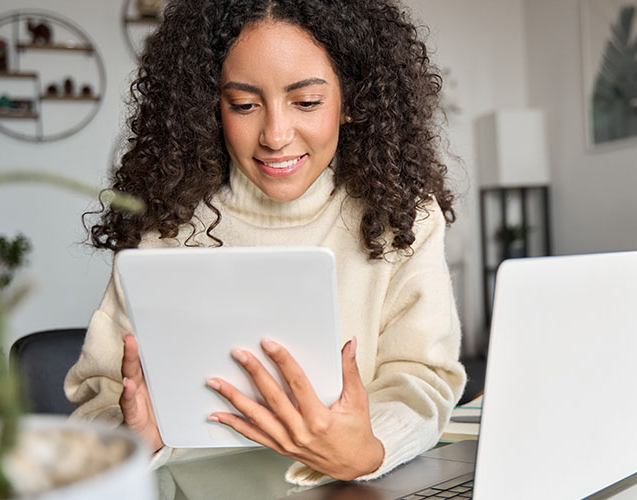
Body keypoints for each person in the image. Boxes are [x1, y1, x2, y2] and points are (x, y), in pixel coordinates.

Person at [65, 0, 466, 486]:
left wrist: (368, 448)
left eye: (307, 102)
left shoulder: (403, 216)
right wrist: (137, 437)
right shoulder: (163, 226)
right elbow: (98, 400)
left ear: (353, 100)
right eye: (245, 105)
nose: (276, 135)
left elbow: (423, 377)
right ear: (210, 106)